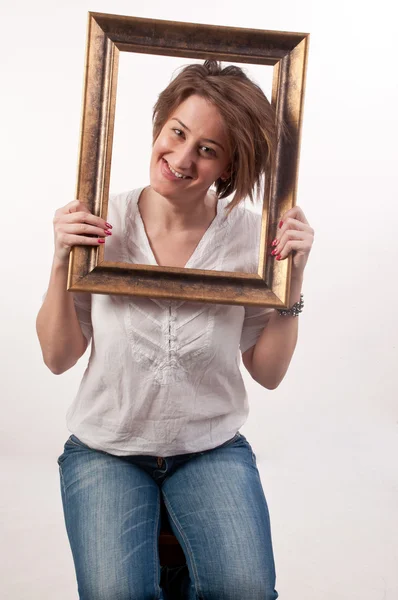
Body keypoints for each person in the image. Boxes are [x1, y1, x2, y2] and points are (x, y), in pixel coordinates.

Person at [36, 60, 314, 600]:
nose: (181, 160)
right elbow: (56, 356)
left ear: (230, 166)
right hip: (106, 449)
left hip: (209, 447)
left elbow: (269, 373)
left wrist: (291, 284)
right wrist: (59, 263)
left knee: (246, 591)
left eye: (208, 150)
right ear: (160, 125)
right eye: (177, 133)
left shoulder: (251, 242)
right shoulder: (101, 222)